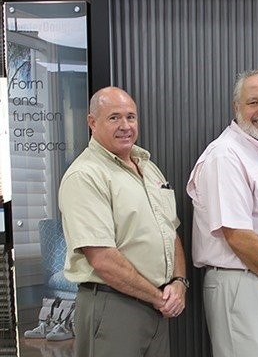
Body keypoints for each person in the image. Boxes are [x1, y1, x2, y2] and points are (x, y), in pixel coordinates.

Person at [59, 86, 187, 357]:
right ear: (92, 123)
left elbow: (169, 230)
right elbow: (102, 258)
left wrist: (178, 282)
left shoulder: (148, 167)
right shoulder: (85, 176)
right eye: (114, 117)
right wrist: (158, 297)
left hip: (156, 308)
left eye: (131, 117)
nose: (125, 126)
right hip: (113, 306)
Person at [187, 68, 258, 357]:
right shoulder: (226, 155)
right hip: (244, 286)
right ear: (236, 107)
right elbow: (237, 235)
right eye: (253, 102)